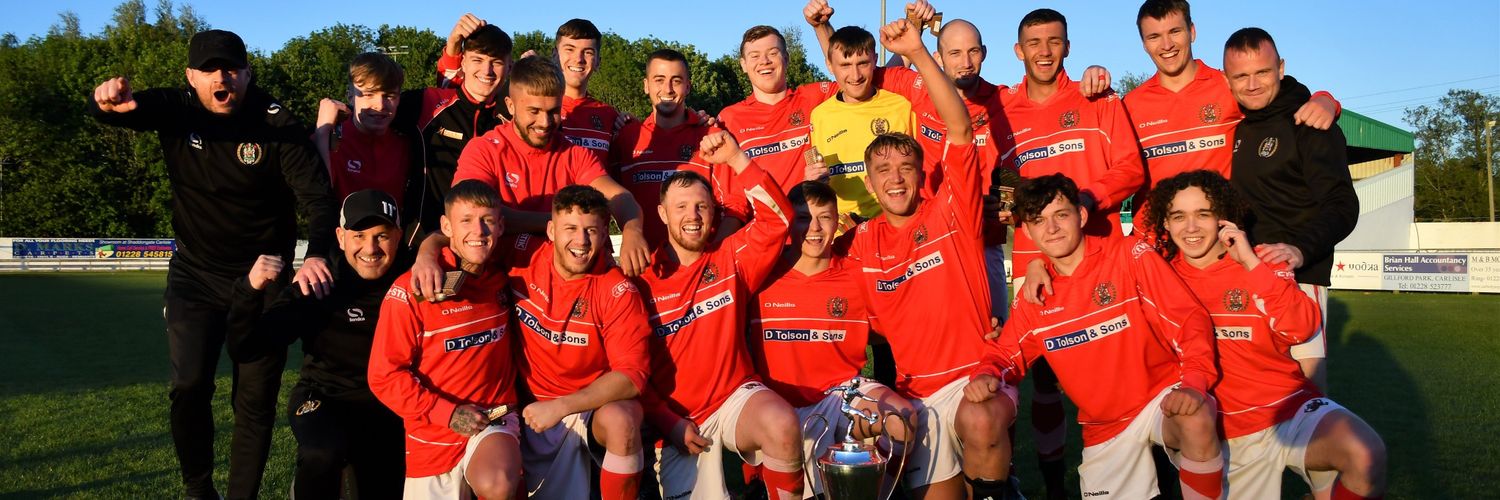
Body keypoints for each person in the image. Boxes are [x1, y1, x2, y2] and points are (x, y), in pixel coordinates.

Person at [88, 28, 339, 499]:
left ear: (247, 73)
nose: (223, 77)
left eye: (232, 68)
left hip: (264, 283)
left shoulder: (276, 122)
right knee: (188, 385)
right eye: (210, 70)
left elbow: (318, 199)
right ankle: (198, 488)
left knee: (255, 401)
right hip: (196, 277)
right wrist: (102, 101)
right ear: (191, 77)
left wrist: (319, 252)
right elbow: (120, 112)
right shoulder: (176, 108)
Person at [841, 18, 1016, 500]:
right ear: (870, 185)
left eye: (906, 168)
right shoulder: (862, 242)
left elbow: (959, 128)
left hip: (976, 374)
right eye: (883, 172)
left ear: (923, 175)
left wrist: (919, 53)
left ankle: (1001, 486)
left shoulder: (951, 210)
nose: (895, 179)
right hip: (918, 393)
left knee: (981, 421)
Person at [1146, 170, 1387, 500]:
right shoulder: (1157, 276)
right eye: (1178, 216)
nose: (1190, 227)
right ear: (1165, 223)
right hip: (1218, 425)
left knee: (1365, 454)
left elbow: (1301, 327)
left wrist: (1249, 262)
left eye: (1203, 214)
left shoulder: (1262, 260)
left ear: (1224, 219)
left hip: (1286, 408)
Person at [987, 173, 1223, 500]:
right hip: (1105, 429)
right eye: (1039, 220)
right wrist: (986, 374)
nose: (1051, 228)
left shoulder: (1128, 255)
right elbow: (1005, 355)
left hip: (1158, 400)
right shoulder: (1035, 295)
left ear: (1081, 215)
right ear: (1026, 231)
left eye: (1061, 215)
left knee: (1196, 416)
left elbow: (1188, 319)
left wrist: (1195, 381)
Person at [1000, 11, 1149, 494]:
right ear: (1018, 51)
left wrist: (1084, 200)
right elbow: (998, 188)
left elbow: (1131, 169)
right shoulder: (1001, 110)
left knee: (1128, 378)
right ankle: (1055, 489)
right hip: (1032, 262)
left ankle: (1144, 471)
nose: (1044, 51)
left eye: (1053, 42)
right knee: (1043, 380)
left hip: (1102, 259)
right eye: (1034, 43)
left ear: (1067, 46)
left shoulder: (1099, 98)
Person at [636, 130, 804, 500]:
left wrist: (737, 159)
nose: (693, 216)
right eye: (681, 207)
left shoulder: (731, 258)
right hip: (677, 422)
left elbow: (778, 219)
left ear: (714, 210)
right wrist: (668, 421)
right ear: (662, 213)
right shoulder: (641, 283)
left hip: (734, 398)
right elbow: (630, 372)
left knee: (782, 423)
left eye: (701, 206)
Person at [225, 190, 409, 498]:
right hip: (325, 397)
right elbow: (247, 348)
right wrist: (249, 291)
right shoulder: (320, 282)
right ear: (340, 237)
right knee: (321, 453)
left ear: (399, 236)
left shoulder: (413, 280)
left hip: (389, 407)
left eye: (382, 236)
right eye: (359, 235)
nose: (370, 248)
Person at [748, 180, 915, 498]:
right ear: (787, 222)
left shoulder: (857, 274)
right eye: (802, 218)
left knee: (900, 420)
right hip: (776, 406)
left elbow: (905, 320)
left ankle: (875, 490)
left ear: (837, 220)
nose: (813, 228)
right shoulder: (761, 273)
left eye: (824, 217)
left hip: (840, 396)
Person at [1223, 27, 1359, 391]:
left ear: (1280, 68)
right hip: (1245, 280)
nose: (1252, 84)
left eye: (1262, 72)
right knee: (1251, 396)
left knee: (1305, 398)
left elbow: (1343, 205)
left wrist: (1300, 249)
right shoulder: (1237, 128)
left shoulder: (1311, 123)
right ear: (1227, 79)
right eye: (1241, 76)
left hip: (1299, 280)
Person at [1125, 0, 1341, 229]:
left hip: (1215, 241)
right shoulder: (1130, 105)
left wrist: (1326, 100)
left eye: (1175, 31)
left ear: (1192, 32)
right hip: (1153, 241)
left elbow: (1285, 97)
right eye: (1154, 36)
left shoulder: (1228, 86)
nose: (1167, 44)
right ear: (1143, 44)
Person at [369, 180, 521, 499]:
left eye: (488, 220)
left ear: (501, 225)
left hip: (493, 419)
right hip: (432, 436)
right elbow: (383, 377)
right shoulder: (412, 290)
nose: (478, 231)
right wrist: (447, 414)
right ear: (446, 227)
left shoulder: (504, 276)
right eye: (466, 220)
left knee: (498, 483)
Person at [437, 55, 649, 276]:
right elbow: (469, 216)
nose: (545, 122)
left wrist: (632, 229)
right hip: (502, 282)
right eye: (534, 111)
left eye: (553, 111)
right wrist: (561, 222)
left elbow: (618, 197)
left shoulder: (575, 154)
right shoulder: (483, 150)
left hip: (562, 285)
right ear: (510, 105)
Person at [508, 185, 653, 500]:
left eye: (591, 230)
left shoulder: (617, 290)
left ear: (605, 235)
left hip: (586, 407)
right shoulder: (522, 252)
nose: (581, 241)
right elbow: (464, 239)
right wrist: (427, 252)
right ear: (550, 230)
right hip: (525, 407)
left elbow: (632, 376)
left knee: (622, 420)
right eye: (570, 229)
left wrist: (560, 407)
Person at [608, 48, 750, 247]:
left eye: (676, 80)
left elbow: (735, 205)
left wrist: (715, 257)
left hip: (699, 268)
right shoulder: (627, 137)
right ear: (646, 86)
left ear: (688, 86)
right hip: (646, 269)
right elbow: (608, 199)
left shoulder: (710, 136)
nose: (668, 89)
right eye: (659, 80)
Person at [395, 16, 513, 248]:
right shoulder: (429, 102)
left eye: (496, 62)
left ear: (509, 67)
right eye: (477, 60)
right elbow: (374, 111)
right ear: (463, 63)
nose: (487, 70)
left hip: (485, 246)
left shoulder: (511, 118)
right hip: (422, 242)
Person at [437, 18, 624, 159]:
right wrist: (453, 47)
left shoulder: (611, 117)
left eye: (588, 52)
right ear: (554, 55)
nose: (579, 59)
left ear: (598, 61)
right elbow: (459, 99)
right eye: (569, 49)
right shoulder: (515, 102)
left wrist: (629, 124)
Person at [314, 52, 412, 206]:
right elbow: (317, 196)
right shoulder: (328, 140)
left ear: (399, 98)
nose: (379, 105)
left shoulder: (407, 144)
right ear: (350, 96)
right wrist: (322, 131)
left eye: (389, 96)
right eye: (368, 94)